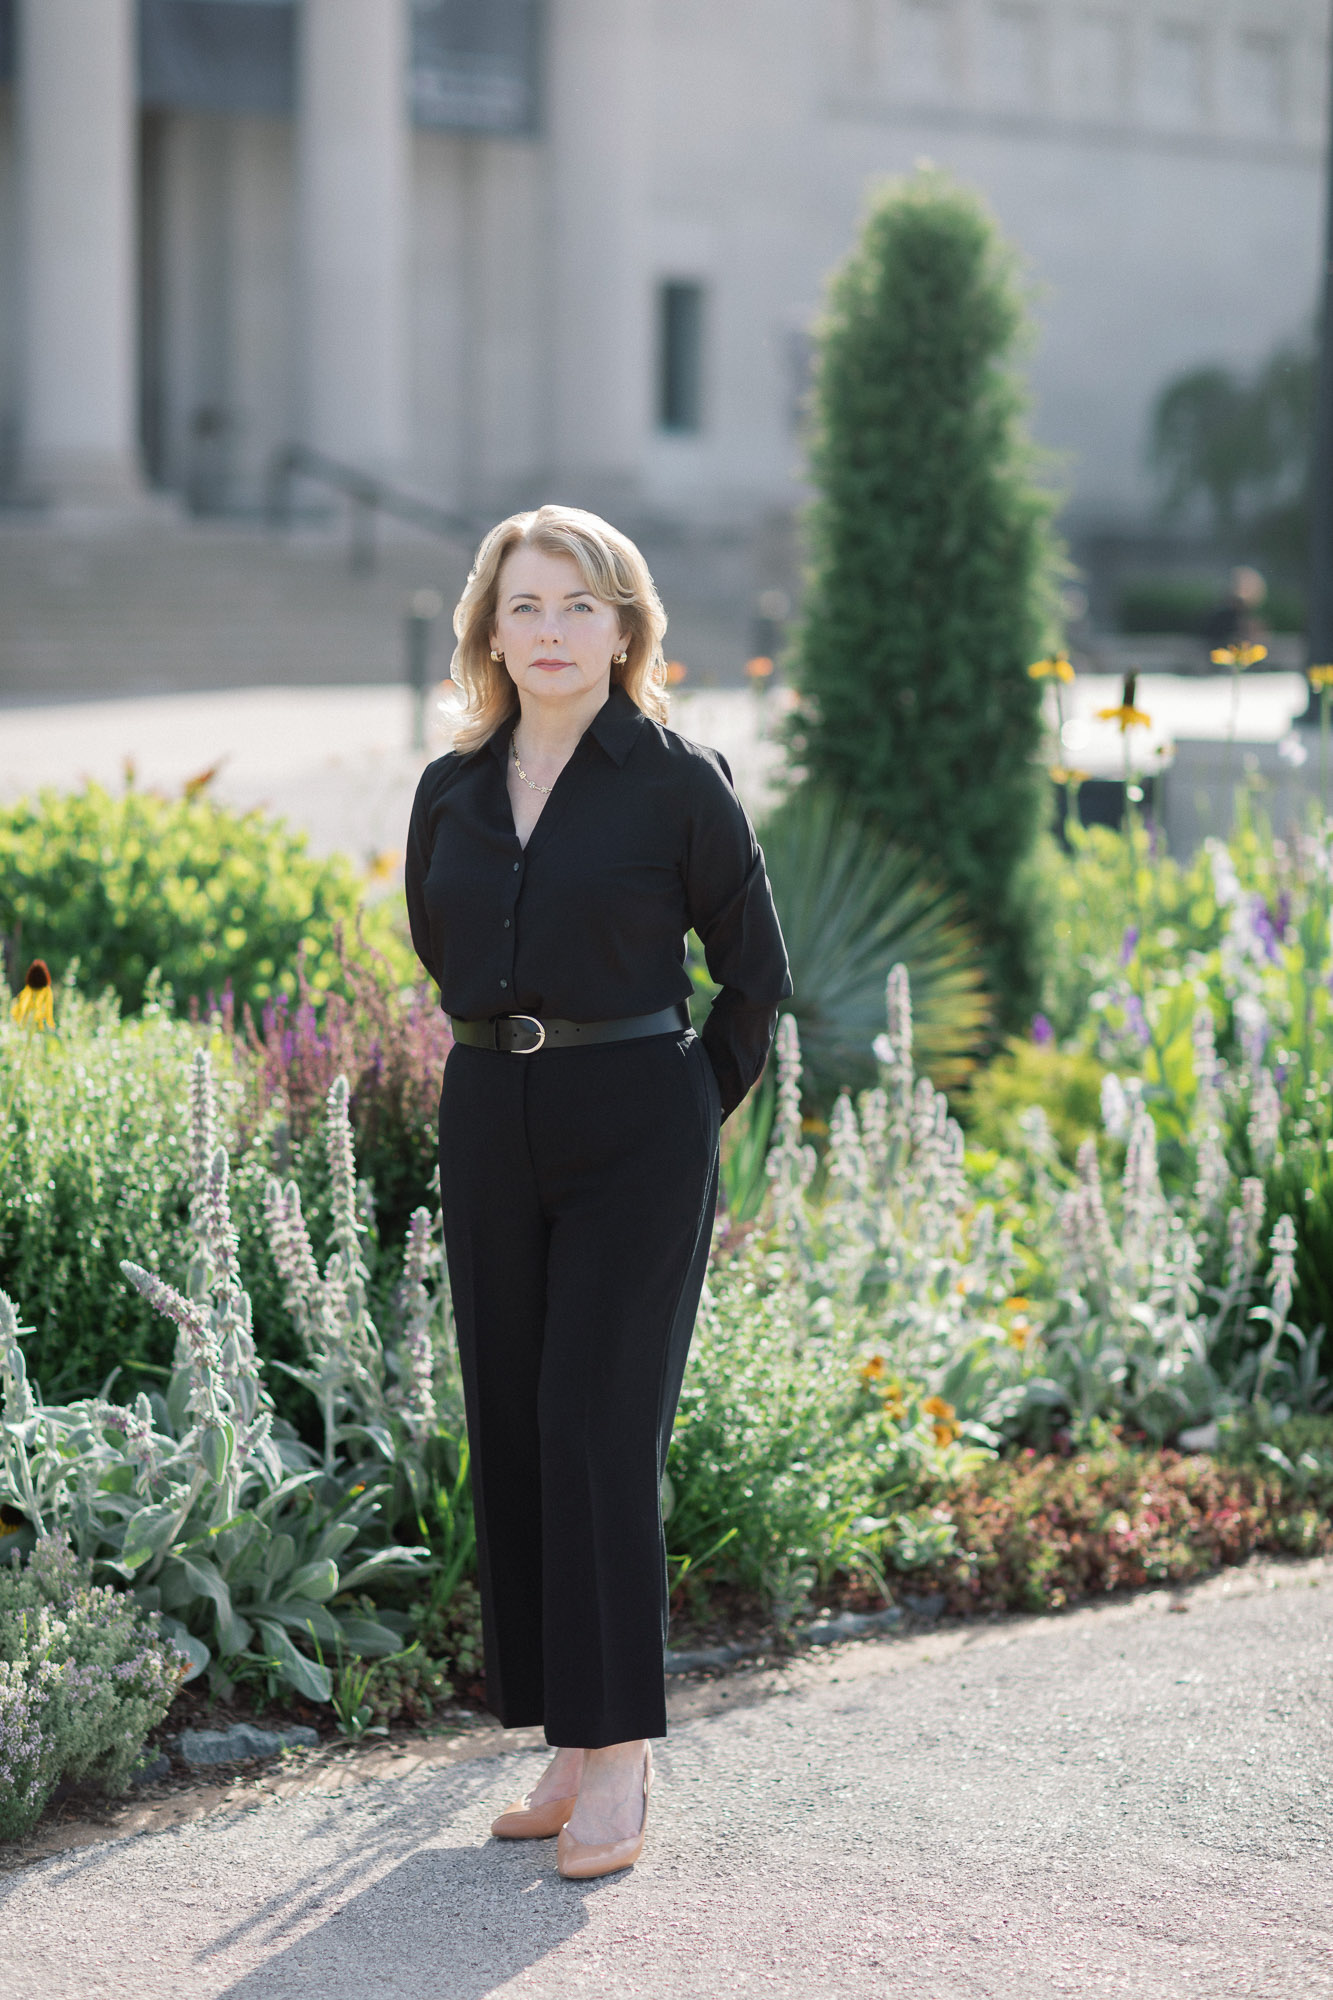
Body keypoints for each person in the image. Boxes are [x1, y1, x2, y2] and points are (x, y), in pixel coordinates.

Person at [404, 505, 791, 1879]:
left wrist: (688, 1109)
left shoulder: (676, 781)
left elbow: (753, 976)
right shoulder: (449, 787)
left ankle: (620, 1752)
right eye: (525, 606)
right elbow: (437, 944)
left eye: (578, 605)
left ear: (625, 628)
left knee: (595, 1419)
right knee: (514, 1418)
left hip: (636, 1121)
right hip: (487, 1113)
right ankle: (564, 1741)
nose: (550, 630)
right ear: (488, 631)